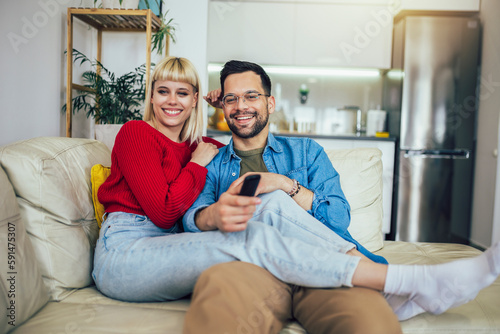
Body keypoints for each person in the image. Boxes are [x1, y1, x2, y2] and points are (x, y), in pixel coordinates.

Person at [181, 60, 500, 332]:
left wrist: (283, 184)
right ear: (222, 105)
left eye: (251, 96)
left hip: (327, 270)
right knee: (218, 308)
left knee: (370, 324)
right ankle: (405, 281)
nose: (241, 106)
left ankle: (398, 283)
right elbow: (191, 220)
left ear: (271, 103)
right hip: (251, 271)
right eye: (232, 99)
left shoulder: (306, 152)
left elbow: (337, 217)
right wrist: (215, 214)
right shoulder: (214, 162)